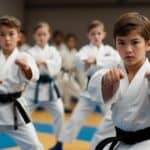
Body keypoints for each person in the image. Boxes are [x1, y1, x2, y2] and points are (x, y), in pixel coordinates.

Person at [50, 20, 120, 150]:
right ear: (88, 35)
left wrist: (95, 60)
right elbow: (79, 61)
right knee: (75, 118)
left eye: (99, 33)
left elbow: (116, 60)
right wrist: (94, 62)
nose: (96, 36)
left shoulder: (109, 50)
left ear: (104, 35)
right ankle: (60, 144)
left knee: (111, 119)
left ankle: (111, 145)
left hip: (107, 91)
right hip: (89, 92)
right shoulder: (84, 50)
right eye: (93, 34)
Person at [89, 12, 150, 150]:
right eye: (121, 42)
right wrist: (105, 82)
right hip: (121, 140)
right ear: (115, 44)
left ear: (148, 44)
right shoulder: (112, 71)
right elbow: (96, 84)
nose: (128, 50)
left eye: (135, 42)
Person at [0, 16, 43, 149]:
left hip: (15, 110)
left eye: (11, 34)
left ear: (18, 36)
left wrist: (26, 69)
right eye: (2, 34)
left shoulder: (24, 57)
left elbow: (34, 76)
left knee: (35, 146)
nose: (7, 38)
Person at [23, 22, 64, 147]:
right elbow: (27, 68)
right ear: (34, 36)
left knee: (60, 113)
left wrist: (44, 62)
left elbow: (57, 65)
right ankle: (27, 143)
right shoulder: (29, 52)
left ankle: (59, 143)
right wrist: (39, 63)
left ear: (49, 35)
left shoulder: (53, 51)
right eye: (39, 34)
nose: (41, 37)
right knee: (22, 114)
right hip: (33, 89)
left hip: (50, 89)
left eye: (44, 34)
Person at [57, 33, 83, 112]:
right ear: (66, 42)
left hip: (70, 75)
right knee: (61, 92)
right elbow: (57, 65)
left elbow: (78, 68)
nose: (71, 43)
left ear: (75, 43)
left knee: (78, 91)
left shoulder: (76, 53)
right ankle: (64, 107)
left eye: (73, 41)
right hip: (61, 74)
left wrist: (80, 80)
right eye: (69, 41)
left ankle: (68, 106)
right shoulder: (62, 52)